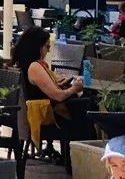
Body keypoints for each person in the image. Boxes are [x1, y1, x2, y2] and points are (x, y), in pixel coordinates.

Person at [11, 27, 85, 157]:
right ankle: (77, 159)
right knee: (85, 112)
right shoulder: (35, 66)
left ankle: (71, 158)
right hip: (48, 114)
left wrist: (58, 83)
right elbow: (58, 96)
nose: (49, 50)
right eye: (46, 46)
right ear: (37, 47)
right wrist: (74, 88)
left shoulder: (27, 64)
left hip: (44, 110)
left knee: (83, 109)